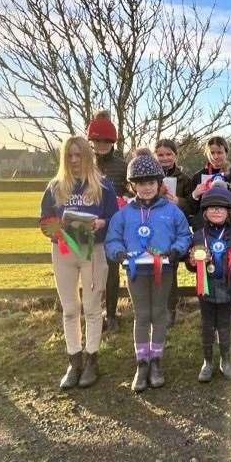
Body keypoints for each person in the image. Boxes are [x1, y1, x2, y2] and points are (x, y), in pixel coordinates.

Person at [104, 150, 192, 392]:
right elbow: (113, 240)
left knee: (159, 313)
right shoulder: (123, 214)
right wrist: (119, 253)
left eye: (151, 182)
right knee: (142, 315)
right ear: (132, 186)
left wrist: (176, 250)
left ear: (159, 183)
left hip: (162, 271)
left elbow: (184, 234)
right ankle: (141, 363)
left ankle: (156, 361)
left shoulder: (172, 211)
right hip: (136, 273)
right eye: (141, 183)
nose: (146, 188)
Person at [40, 136, 118, 389]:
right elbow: (44, 221)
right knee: (70, 308)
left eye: (78, 155)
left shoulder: (103, 185)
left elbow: (114, 219)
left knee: (92, 307)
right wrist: (57, 228)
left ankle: (92, 359)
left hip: (93, 250)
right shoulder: (55, 186)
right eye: (69, 156)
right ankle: (74, 361)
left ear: (87, 155)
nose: (74, 160)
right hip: (64, 251)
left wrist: (101, 223)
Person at [186, 183, 231, 382]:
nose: (216, 210)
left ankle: (226, 360)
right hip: (205, 288)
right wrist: (191, 262)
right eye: (211, 207)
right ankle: (207, 362)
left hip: (228, 287)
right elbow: (190, 264)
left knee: (224, 324)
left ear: (228, 212)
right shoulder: (198, 235)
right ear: (204, 212)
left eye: (221, 207)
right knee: (207, 325)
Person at [87, 110, 128, 334]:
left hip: (112, 226)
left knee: (112, 272)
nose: (102, 144)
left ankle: (111, 314)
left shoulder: (122, 166)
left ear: (112, 141)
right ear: (91, 141)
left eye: (106, 141)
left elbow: (130, 191)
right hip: (89, 226)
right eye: (97, 140)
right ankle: (93, 313)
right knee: (90, 272)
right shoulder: (84, 165)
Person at [154, 138, 193, 328]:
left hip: (174, 230)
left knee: (170, 271)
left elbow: (192, 206)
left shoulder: (184, 178)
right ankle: (155, 309)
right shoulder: (149, 176)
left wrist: (178, 201)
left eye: (168, 154)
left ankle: (170, 310)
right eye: (160, 155)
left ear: (175, 156)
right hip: (153, 229)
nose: (165, 158)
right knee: (152, 269)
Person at [188, 136, 231, 229]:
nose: (215, 157)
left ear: (226, 153)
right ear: (207, 153)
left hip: (228, 227)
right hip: (203, 227)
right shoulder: (198, 176)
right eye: (212, 153)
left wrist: (228, 190)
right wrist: (195, 195)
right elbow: (191, 208)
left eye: (219, 152)